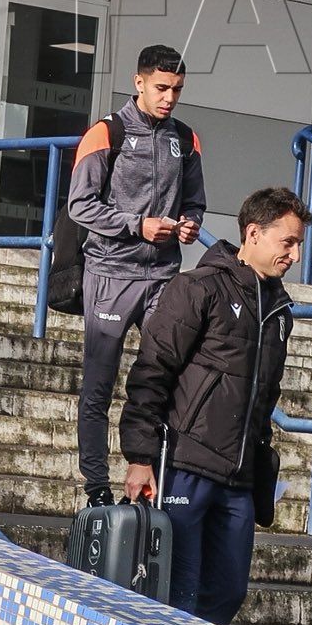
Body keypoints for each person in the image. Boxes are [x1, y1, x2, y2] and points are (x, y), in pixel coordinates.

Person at [118, 186, 308, 625]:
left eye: (298, 244)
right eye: (288, 242)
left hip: (238, 480)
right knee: (178, 593)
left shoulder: (280, 313)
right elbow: (151, 372)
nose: (295, 255)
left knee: (227, 591)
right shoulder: (196, 288)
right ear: (254, 233)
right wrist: (140, 457)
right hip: (184, 467)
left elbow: (265, 395)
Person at [65, 43, 207, 508]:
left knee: (169, 377)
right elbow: (80, 205)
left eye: (177, 90)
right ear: (139, 82)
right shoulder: (106, 132)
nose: (169, 98)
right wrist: (135, 225)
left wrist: (190, 224)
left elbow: (195, 202)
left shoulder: (186, 138)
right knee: (99, 385)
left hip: (164, 276)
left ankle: (155, 478)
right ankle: (96, 486)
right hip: (110, 273)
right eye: (161, 88)